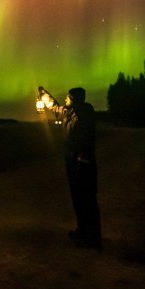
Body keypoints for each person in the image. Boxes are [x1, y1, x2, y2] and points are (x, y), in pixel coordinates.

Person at [62, 86, 101, 249]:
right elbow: (57, 108)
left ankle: (92, 238)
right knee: (78, 200)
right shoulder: (72, 113)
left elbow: (85, 140)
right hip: (74, 163)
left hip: (83, 164)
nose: (64, 100)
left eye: (67, 98)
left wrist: (81, 161)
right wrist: (45, 95)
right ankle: (83, 232)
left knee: (87, 201)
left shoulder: (83, 115)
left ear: (73, 99)